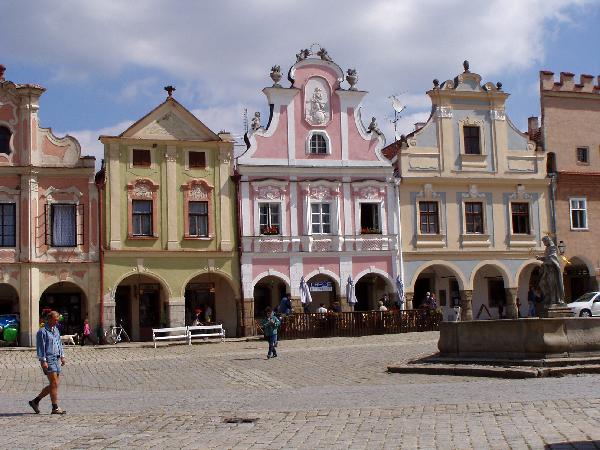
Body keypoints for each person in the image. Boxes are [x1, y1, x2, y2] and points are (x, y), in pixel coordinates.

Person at [29, 311, 66, 415]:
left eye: (58, 320)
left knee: (54, 384)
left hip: (56, 359)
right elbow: (41, 347)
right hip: (48, 359)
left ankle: (35, 401)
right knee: (54, 383)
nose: (57, 322)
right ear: (49, 319)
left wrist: (62, 356)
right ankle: (55, 408)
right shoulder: (42, 332)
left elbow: (59, 344)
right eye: (55, 320)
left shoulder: (56, 330)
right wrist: (43, 361)